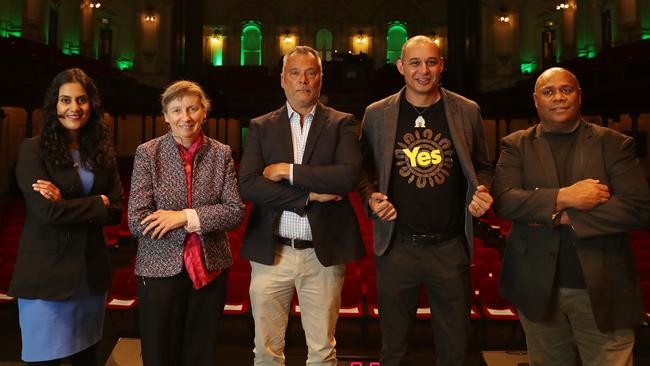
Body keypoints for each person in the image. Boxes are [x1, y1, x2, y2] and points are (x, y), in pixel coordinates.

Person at [493, 67, 650, 366]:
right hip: (537, 286)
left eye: (566, 90)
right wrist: (566, 197)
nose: (558, 98)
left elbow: (637, 208)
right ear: (536, 100)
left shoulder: (614, 144)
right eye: (549, 92)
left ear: (579, 96)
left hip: (603, 286)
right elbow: (506, 202)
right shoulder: (515, 145)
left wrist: (559, 216)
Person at [358, 35, 494, 366]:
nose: (423, 70)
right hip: (396, 247)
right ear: (401, 67)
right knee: (394, 350)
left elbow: (485, 167)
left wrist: (484, 190)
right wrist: (370, 197)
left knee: (454, 350)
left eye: (431, 62)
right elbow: (362, 170)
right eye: (415, 63)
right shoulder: (377, 114)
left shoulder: (467, 110)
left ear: (441, 66)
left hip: (449, 248)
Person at [239, 45, 364, 365]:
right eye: (295, 73)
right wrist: (308, 196)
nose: (303, 80)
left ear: (321, 78)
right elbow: (250, 184)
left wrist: (286, 171)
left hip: (322, 255)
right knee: (266, 351)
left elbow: (347, 177)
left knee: (322, 351)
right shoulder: (261, 126)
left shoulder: (342, 123)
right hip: (271, 254)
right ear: (283, 80)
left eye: (311, 73)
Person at [10, 68, 124, 365]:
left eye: (81, 100)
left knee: (86, 359)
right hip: (48, 274)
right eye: (65, 100)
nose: (74, 108)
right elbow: (46, 212)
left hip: (89, 273)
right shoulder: (33, 150)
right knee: (43, 359)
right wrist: (96, 203)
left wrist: (70, 203)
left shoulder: (102, 151)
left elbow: (116, 209)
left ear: (92, 105)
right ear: (54, 105)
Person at [128, 80, 245, 366]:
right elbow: (136, 221)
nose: (186, 117)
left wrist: (183, 216)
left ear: (204, 112)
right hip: (158, 270)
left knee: (199, 355)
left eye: (193, 108)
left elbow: (234, 212)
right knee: (159, 354)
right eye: (177, 110)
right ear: (166, 115)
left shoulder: (221, 153)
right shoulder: (148, 153)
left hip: (210, 269)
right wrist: (202, 217)